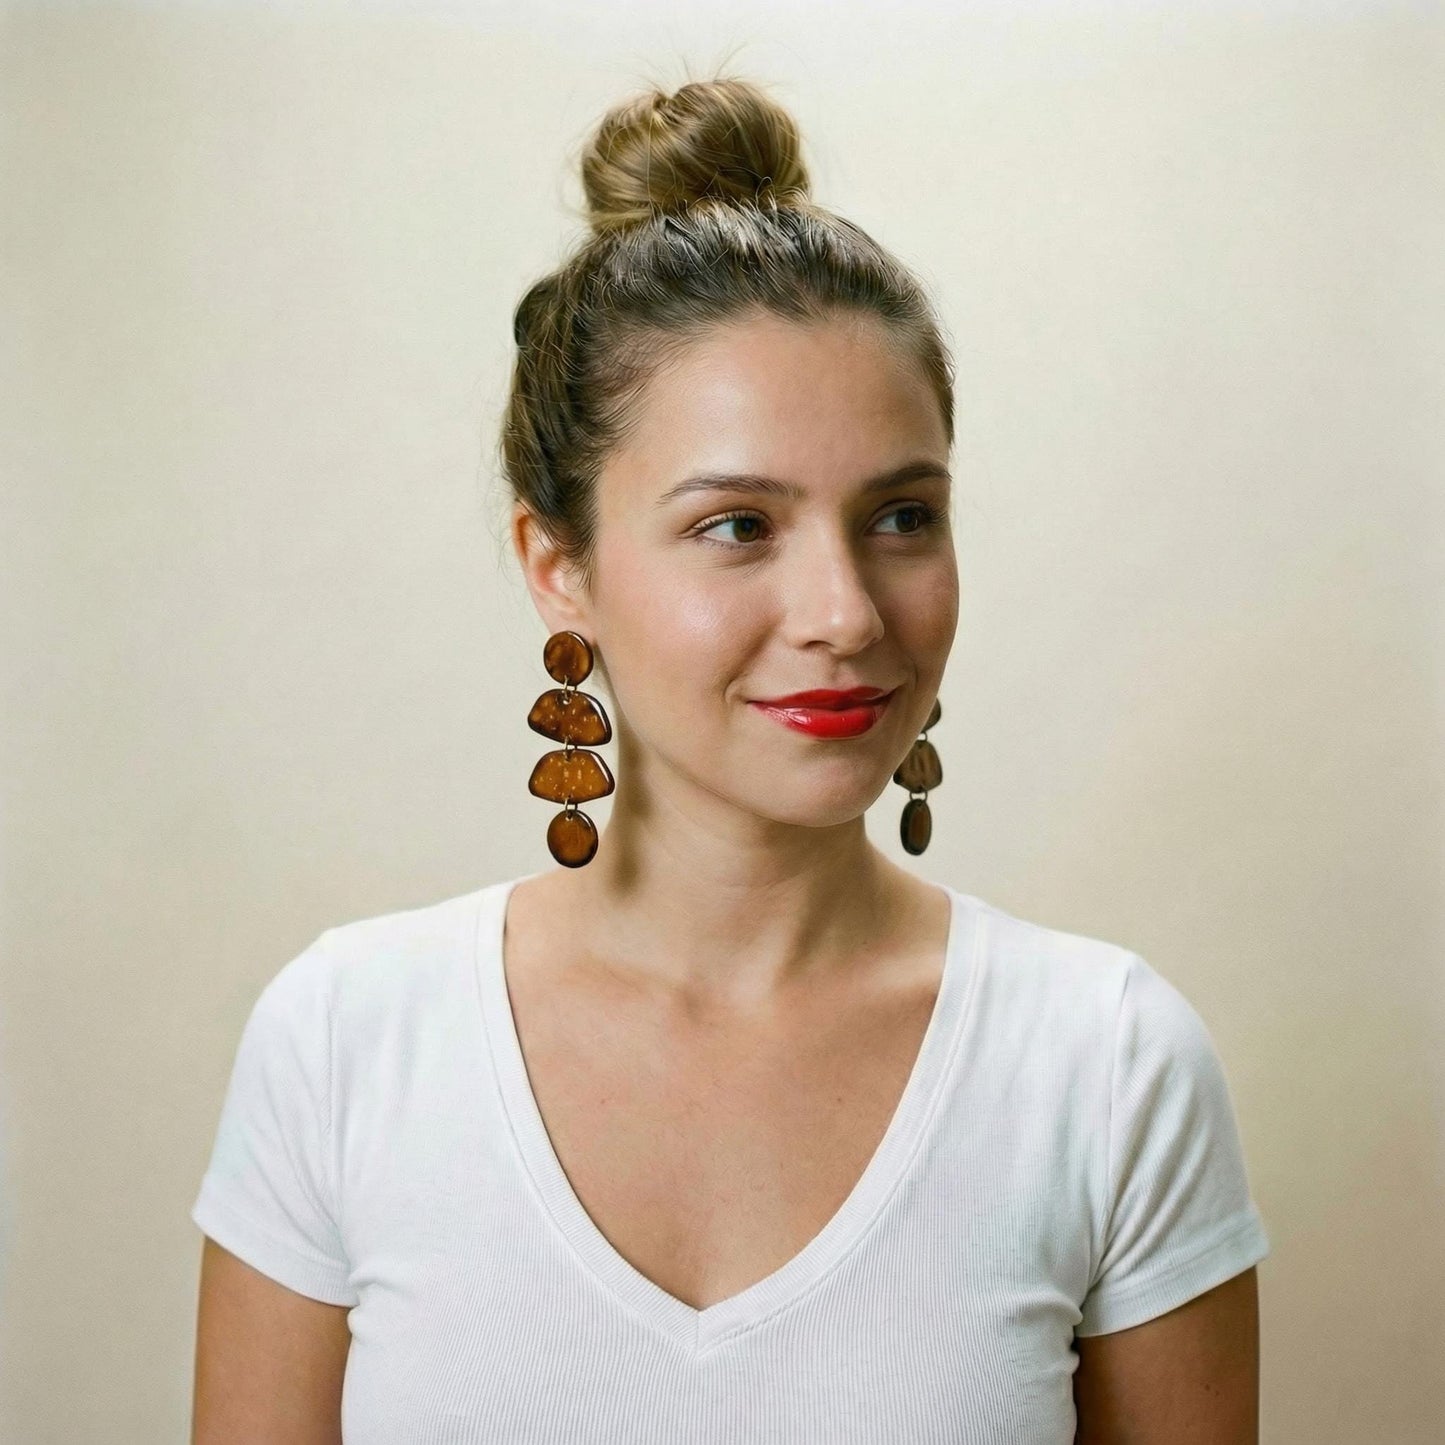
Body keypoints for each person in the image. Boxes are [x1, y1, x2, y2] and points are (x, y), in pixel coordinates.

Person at [190, 75, 1270, 1443]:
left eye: (898, 515)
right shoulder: (345, 1045)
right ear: (557, 563)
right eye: (737, 525)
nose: (844, 611)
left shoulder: (1107, 1068)